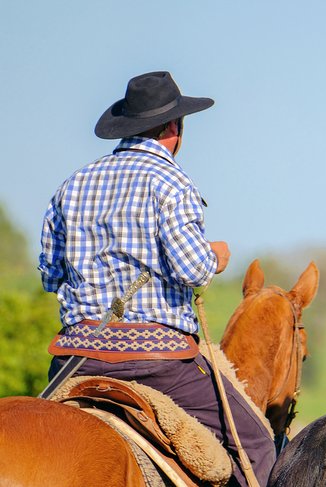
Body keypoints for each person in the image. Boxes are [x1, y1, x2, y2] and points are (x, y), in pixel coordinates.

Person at [39, 71, 274, 486]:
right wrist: (215, 256)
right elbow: (193, 270)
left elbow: (51, 275)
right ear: (173, 128)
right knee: (256, 444)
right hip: (159, 361)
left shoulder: (71, 185)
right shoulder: (171, 181)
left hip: (75, 358)